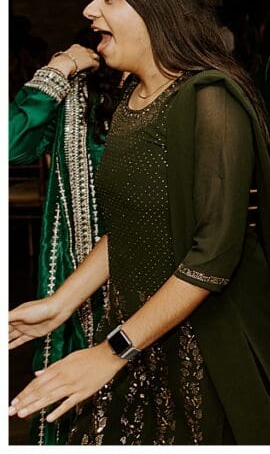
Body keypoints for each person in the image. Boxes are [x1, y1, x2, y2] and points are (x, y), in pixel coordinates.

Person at [8, 0, 270, 445]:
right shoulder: (131, 97)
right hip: (137, 337)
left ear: (155, 9)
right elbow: (130, 229)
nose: (89, 11)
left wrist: (111, 351)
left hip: (206, 348)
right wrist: (60, 304)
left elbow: (213, 255)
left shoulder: (210, 99)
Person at [8, 37, 120, 444]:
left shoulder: (178, 93)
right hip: (75, 272)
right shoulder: (79, 91)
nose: (92, 12)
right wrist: (59, 68)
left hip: (153, 276)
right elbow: (10, 143)